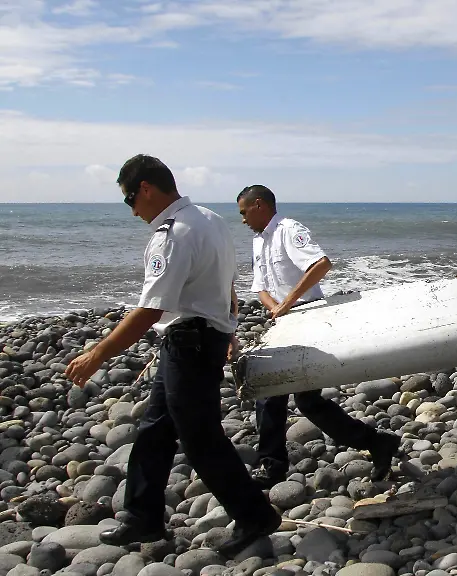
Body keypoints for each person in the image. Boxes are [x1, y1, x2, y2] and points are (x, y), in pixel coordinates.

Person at [66, 155, 280, 555]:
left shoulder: (174, 232)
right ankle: (142, 516)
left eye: (130, 200)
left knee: (200, 439)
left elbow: (150, 310)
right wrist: (227, 326)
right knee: (155, 429)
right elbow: (225, 281)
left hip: (190, 343)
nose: (132, 211)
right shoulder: (210, 220)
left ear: (146, 188)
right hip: (196, 338)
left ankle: (254, 514)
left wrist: (98, 353)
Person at [236, 185, 401, 488]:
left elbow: (320, 264)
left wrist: (287, 304)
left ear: (259, 205)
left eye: (244, 212)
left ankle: (273, 466)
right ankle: (375, 443)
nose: (243, 220)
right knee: (285, 397)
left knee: (297, 397)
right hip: (283, 322)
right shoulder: (259, 242)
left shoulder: (288, 230)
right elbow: (260, 285)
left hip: (308, 317)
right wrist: (276, 309)